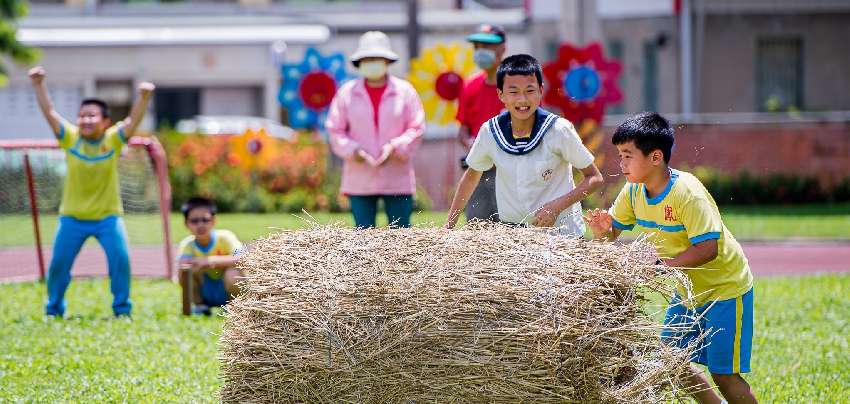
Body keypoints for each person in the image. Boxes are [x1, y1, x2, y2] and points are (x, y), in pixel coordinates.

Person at [584, 112, 757, 404]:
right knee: (671, 361)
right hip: (688, 290)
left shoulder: (687, 193)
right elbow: (612, 232)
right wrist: (604, 231)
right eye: (619, 155)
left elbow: (708, 248)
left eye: (628, 155)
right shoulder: (634, 191)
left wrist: (662, 269)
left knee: (723, 374)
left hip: (725, 288)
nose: (621, 163)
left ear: (655, 157)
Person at [29, 66, 154, 317]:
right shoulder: (70, 139)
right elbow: (50, 112)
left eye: (92, 116)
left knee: (120, 261)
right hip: (72, 218)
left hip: (108, 217)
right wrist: (38, 84)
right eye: (82, 116)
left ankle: (122, 310)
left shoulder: (112, 140)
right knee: (58, 266)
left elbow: (132, 122)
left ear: (105, 121)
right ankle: (53, 309)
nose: (86, 120)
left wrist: (143, 97)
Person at [445, 54, 604, 235]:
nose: (522, 99)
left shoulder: (559, 130)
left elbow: (595, 178)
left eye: (529, 90)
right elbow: (472, 175)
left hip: (561, 233)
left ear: (541, 91)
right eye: (513, 92)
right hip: (513, 235)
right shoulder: (490, 131)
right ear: (501, 94)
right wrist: (449, 226)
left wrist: (557, 206)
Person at [326, 31, 425, 229]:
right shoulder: (346, 93)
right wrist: (354, 150)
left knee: (401, 238)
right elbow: (335, 130)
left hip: (397, 177)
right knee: (363, 238)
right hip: (359, 177)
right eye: (368, 59)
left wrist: (395, 148)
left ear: (387, 61)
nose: (372, 62)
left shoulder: (405, 92)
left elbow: (417, 127)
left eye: (377, 58)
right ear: (359, 62)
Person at [455, 24, 508, 222]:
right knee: (478, 226)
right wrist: (473, 145)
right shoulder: (470, 85)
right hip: (479, 169)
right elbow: (462, 131)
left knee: (514, 227)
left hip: (511, 169)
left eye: (486, 46)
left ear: (503, 48)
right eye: (476, 47)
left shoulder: (517, 85)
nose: (480, 52)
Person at [177, 197, 244, 316]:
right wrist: (193, 265)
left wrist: (209, 261)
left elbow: (243, 259)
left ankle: (234, 306)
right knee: (185, 273)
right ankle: (200, 306)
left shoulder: (225, 237)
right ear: (186, 224)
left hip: (226, 288)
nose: (200, 224)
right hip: (205, 289)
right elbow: (182, 267)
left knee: (233, 273)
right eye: (194, 221)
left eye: (205, 219)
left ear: (213, 221)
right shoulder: (188, 245)